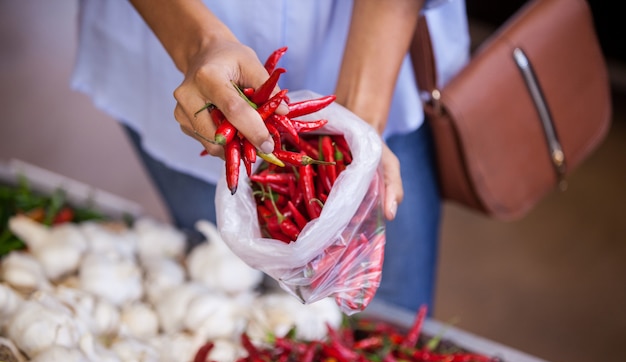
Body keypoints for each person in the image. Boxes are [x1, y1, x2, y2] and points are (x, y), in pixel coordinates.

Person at [71, 0, 470, 313]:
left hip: (383, 53)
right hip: (172, 52)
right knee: (233, 295)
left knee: (394, 316)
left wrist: (362, 120)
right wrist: (200, 44)